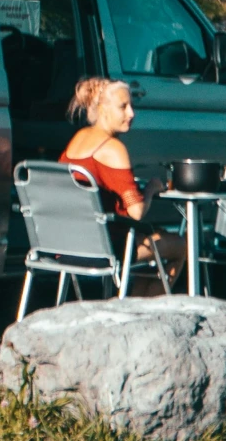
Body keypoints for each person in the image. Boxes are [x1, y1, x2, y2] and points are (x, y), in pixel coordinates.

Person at [59, 77, 186, 292]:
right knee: (182, 247)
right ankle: (145, 315)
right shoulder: (112, 148)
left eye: (132, 106)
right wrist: (151, 189)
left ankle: (137, 308)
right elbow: (136, 212)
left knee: (152, 249)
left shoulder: (78, 138)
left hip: (67, 244)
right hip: (105, 246)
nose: (131, 114)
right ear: (102, 109)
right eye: (123, 107)